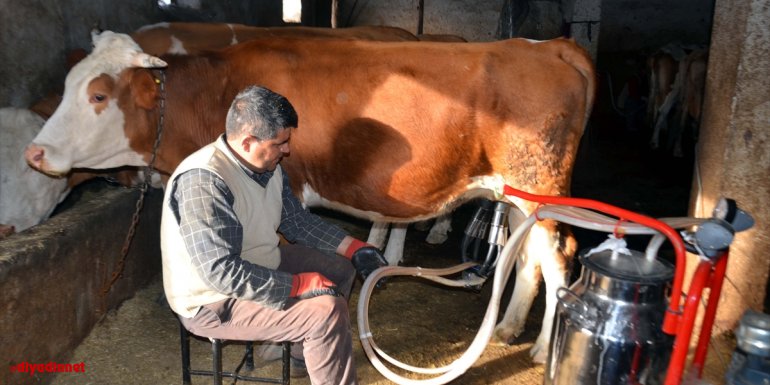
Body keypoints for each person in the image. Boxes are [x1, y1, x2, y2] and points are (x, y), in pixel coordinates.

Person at [160, 85, 388, 385]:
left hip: (258, 264)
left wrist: (356, 248)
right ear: (248, 141)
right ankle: (317, 339)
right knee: (326, 312)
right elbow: (221, 272)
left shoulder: (266, 165)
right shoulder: (205, 182)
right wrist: (298, 284)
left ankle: (299, 354)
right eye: (280, 143)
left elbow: (295, 221)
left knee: (341, 268)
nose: (287, 150)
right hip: (213, 301)